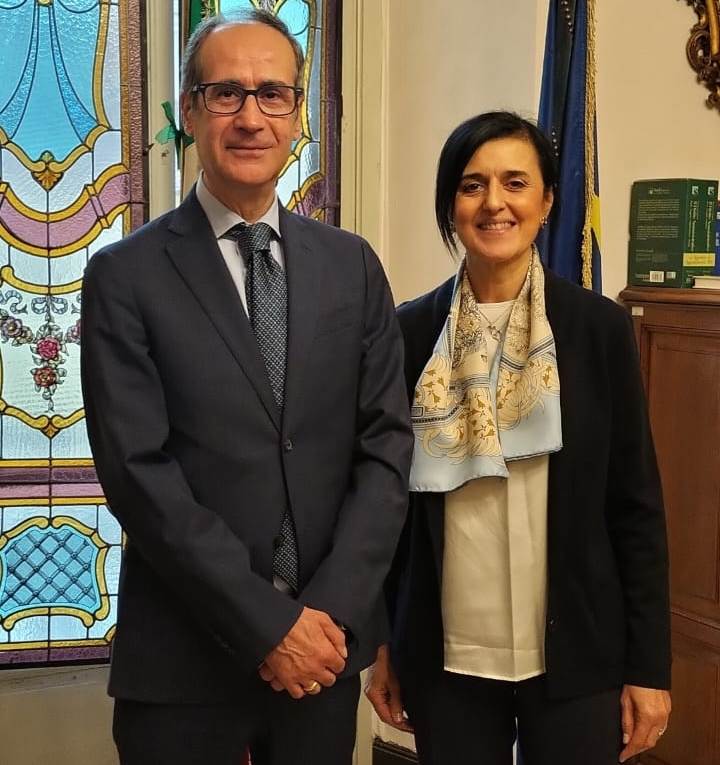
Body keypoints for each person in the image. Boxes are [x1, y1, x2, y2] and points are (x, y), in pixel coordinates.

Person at [80, 10, 413, 765]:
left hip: (322, 661)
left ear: (297, 114)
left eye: (273, 94)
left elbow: (386, 451)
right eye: (226, 92)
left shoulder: (352, 266)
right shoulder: (125, 276)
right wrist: (269, 626)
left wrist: (327, 616)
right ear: (191, 110)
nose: (251, 116)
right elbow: (139, 473)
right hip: (183, 666)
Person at [366, 111, 671, 765]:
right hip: (445, 655)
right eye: (472, 185)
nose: (494, 202)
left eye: (514, 182)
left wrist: (649, 667)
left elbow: (635, 506)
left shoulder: (598, 329)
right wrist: (383, 640)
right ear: (451, 204)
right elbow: (386, 509)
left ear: (547, 200)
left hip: (577, 654)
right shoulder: (408, 333)